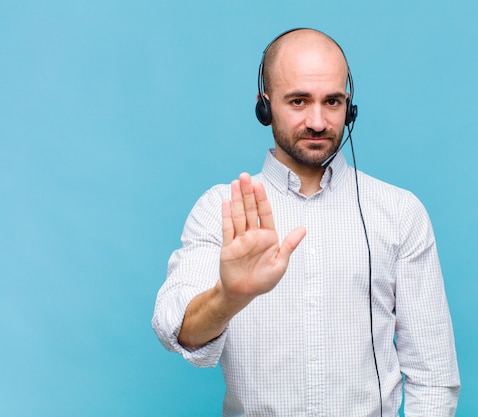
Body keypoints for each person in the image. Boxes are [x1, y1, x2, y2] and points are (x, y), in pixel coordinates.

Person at [152, 28, 460, 416]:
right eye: (298, 101)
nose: (317, 121)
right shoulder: (221, 209)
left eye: (332, 102)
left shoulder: (400, 213)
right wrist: (229, 297)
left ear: (350, 107)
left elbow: (433, 374)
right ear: (264, 107)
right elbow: (175, 329)